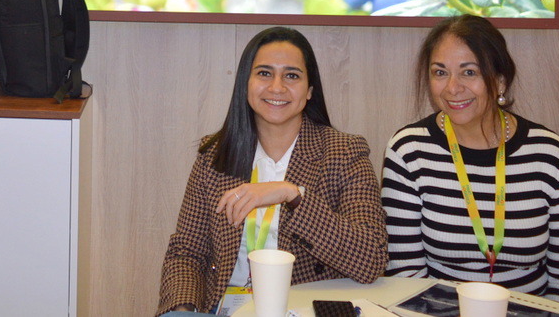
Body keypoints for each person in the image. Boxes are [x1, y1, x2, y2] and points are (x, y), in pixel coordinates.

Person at [157, 27, 387, 316]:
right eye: (264, 73)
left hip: (303, 309)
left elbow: (371, 259)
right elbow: (187, 253)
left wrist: (293, 195)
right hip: (227, 308)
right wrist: (183, 309)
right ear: (246, 84)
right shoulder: (214, 156)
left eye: (292, 76)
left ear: (310, 90)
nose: (277, 87)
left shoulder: (344, 152)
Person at [381, 14, 559, 309]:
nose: (452, 88)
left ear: (500, 80)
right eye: (440, 72)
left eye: (469, 72)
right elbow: (404, 275)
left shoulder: (549, 154)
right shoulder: (409, 151)